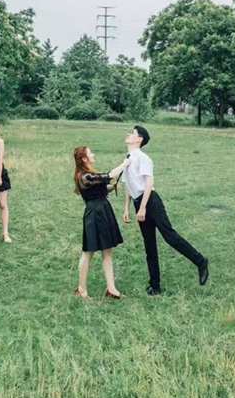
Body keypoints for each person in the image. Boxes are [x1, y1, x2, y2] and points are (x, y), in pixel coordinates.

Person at [122, 125, 209, 295]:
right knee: (149, 245)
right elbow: (128, 185)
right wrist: (126, 208)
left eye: (132, 133)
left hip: (151, 202)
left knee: (170, 236)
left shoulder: (143, 158)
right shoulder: (127, 158)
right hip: (138, 202)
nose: (128, 134)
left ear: (139, 139)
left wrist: (143, 208)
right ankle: (155, 286)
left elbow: (149, 183)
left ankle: (201, 261)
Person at [73, 147, 129, 299]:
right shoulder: (84, 176)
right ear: (84, 159)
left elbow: (101, 188)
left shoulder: (88, 174)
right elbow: (108, 176)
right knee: (87, 253)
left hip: (102, 211)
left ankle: (111, 289)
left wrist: (111, 187)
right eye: (90, 153)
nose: (93, 154)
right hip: (95, 214)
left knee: (107, 251)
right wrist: (125, 163)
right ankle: (81, 290)